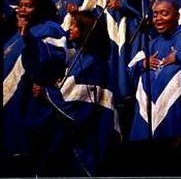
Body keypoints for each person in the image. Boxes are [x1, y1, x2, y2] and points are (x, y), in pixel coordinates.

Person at [127, 0, 181, 176]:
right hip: (151, 126)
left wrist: (180, 56)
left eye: (164, 13)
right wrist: (143, 64)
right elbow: (129, 73)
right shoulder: (151, 44)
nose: (158, 19)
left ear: (177, 16)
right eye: (155, 14)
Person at [32, 10, 119, 176]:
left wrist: (47, 95)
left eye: (74, 25)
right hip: (64, 136)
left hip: (84, 141)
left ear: (86, 29)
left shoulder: (94, 63)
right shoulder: (74, 58)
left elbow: (82, 108)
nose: (69, 28)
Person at [2, 0, 67, 176]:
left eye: (28, 6)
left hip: (31, 108)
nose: (22, 10)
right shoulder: (13, 38)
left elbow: (50, 60)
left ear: (39, 8)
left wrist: (28, 39)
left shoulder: (50, 29)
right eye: (20, 5)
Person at [97, 0, 147, 133]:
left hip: (136, 37)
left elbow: (148, 6)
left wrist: (123, 6)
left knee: (133, 88)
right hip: (115, 40)